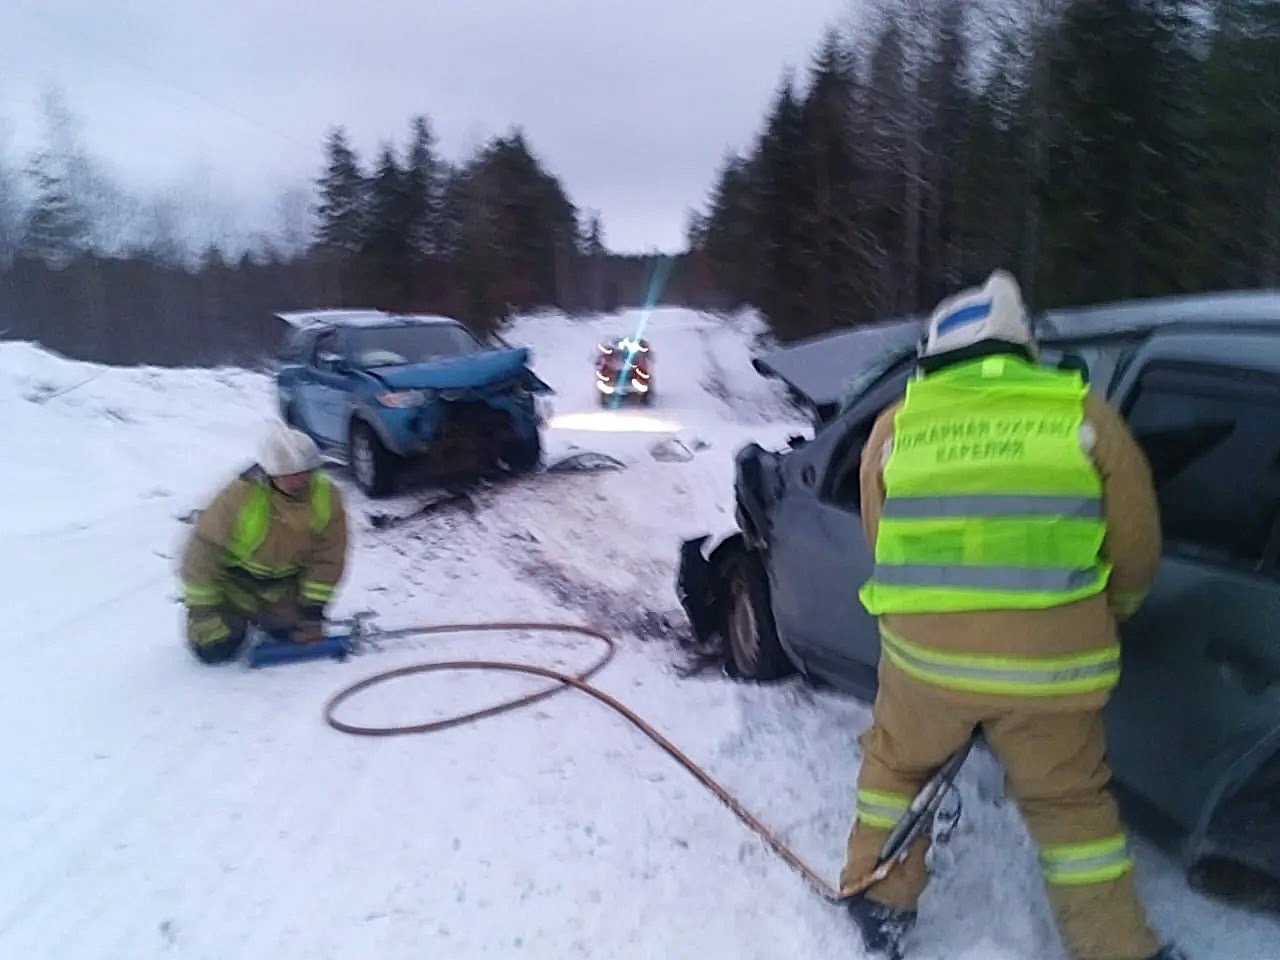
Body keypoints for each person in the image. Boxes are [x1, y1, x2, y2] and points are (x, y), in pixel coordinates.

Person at [840, 271, 1183, 960]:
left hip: (926, 663)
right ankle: (1120, 949)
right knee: (1071, 807)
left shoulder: (896, 425)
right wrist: (1108, 611)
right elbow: (1137, 544)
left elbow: (882, 538)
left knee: (896, 772)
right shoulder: (1081, 416)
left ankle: (878, 897)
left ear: (935, 354)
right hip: (1052, 671)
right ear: (1019, 345)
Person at [180, 422, 348, 664]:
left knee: (290, 633)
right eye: (291, 475)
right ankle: (226, 620)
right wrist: (204, 612)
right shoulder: (239, 496)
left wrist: (312, 611)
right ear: (272, 473)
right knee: (214, 649)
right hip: (232, 587)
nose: (300, 481)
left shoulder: (326, 497)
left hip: (281, 590)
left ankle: (276, 617)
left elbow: (329, 556)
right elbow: (202, 550)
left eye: (306, 472)